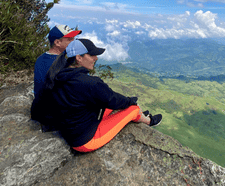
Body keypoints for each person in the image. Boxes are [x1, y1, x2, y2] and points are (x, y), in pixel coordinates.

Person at [31, 38, 162, 153]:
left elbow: (108, 98)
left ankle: (139, 114)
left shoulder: (57, 75)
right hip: (84, 141)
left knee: (114, 105)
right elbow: (112, 99)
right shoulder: (89, 83)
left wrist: (127, 100)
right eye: (92, 54)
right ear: (79, 57)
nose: (96, 58)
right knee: (133, 109)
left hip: (71, 128)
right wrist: (131, 102)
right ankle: (148, 121)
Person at [34, 25, 82, 96]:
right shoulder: (60, 63)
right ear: (57, 42)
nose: (73, 41)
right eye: (70, 39)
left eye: (73, 38)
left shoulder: (42, 58)